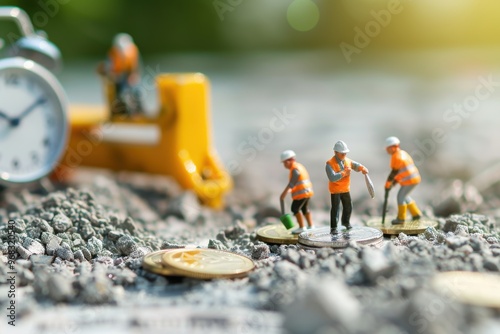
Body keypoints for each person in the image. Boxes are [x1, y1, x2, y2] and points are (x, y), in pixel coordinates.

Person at [326, 141, 369, 235]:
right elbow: (332, 177)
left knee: (348, 206)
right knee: (335, 209)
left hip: (345, 189)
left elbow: (355, 165)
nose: (344, 155)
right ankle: (333, 227)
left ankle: (346, 222)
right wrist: (344, 173)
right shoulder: (330, 164)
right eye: (342, 153)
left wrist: (362, 168)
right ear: (335, 152)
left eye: (345, 153)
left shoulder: (347, 160)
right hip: (336, 190)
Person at [100, 33, 142, 114]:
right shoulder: (113, 54)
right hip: (117, 77)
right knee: (121, 93)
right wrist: (111, 75)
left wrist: (134, 75)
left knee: (137, 91)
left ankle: (138, 110)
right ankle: (120, 111)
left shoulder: (132, 52)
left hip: (128, 76)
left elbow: (137, 66)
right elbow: (109, 66)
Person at [384, 136, 422, 224]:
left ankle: (401, 219)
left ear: (393, 147)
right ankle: (416, 214)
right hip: (414, 178)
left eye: (387, 148)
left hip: (409, 180)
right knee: (405, 196)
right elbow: (401, 173)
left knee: (400, 197)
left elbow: (393, 173)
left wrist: (388, 184)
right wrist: (393, 183)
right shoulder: (403, 153)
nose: (386, 150)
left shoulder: (396, 157)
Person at [279, 150, 314, 234]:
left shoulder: (295, 169)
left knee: (295, 209)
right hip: (307, 192)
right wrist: (291, 189)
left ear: (288, 161)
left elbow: (294, 180)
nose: (284, 165)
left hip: (301, 194)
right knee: (305, 209)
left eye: (284, 163)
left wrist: (285, 191)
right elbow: (298, 182)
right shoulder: (299, 166)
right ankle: (311, 225)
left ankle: (302, 227)